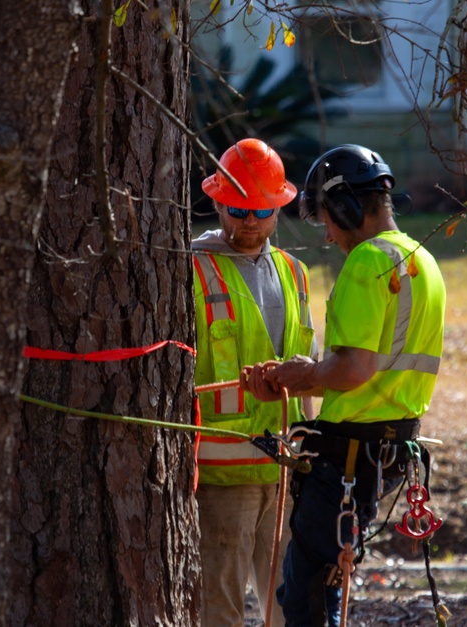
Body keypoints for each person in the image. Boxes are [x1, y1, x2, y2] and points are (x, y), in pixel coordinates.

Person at [240, 144, 446, 627]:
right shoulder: (423, 262)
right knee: (323, 582)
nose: (329, 236)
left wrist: (303, 374)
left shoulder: (366, 262)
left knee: (307, 595)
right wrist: (307, 375)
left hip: (348, 460)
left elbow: (353, 368)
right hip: (387, 452)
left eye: (328, 221)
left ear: (346, 207)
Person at [193, 138, 318, 627]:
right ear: (218, 202)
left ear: (279, 207)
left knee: (290, 608)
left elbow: (309, 368)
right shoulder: (192, 267)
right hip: (222, 478)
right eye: (238, 209)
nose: (249, 221)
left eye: (262, 210)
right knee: (218, 610)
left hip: (284, 472)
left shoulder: (295, 273)